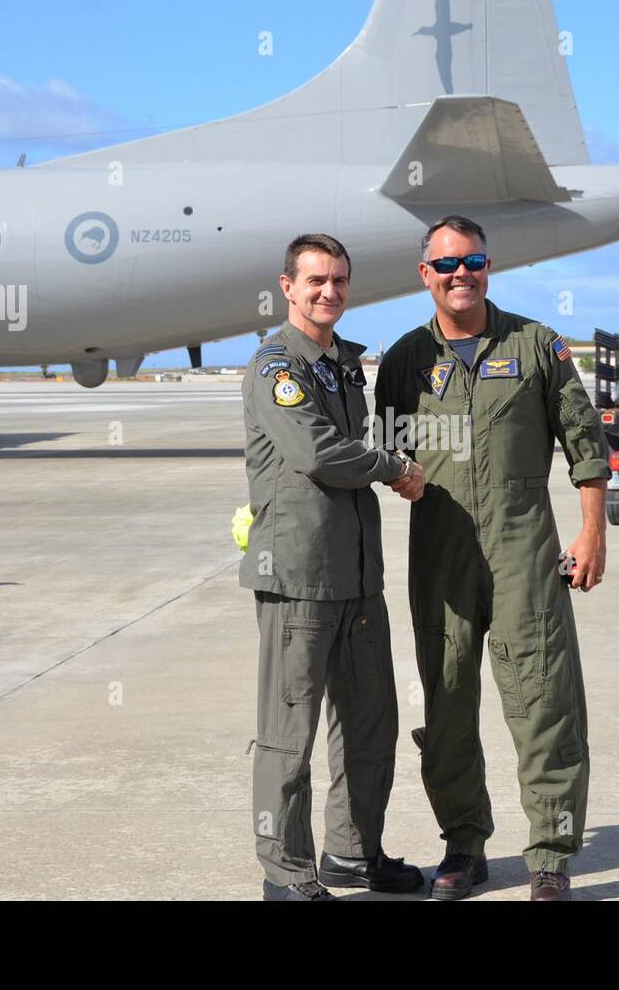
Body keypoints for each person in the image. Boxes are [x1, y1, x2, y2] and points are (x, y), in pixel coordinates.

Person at [374, 215, 611, 901]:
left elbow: (585, 442)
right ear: (426, 275)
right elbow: (387, 451)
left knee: (544, 704)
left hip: (524, 552)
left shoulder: (536, 346)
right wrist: (396, 474)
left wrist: (592, 532)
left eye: (472, 262)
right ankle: (463, 845)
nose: (460, 275)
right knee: (447, 704)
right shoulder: (402, 361)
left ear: (487, 268)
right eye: (445, 264)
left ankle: (550, 857)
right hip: (440, 555)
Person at [240, 233, 426, 901]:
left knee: (370, 726)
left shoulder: (344, 365)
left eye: (340, 280)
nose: (330, 291)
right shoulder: (275, 368)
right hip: (297, 577)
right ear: (288, 286)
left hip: (357, 578)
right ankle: (286, 875)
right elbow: (319, 452)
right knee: (288, 737)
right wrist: (395, 467)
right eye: (316, 280)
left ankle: (352, 853)